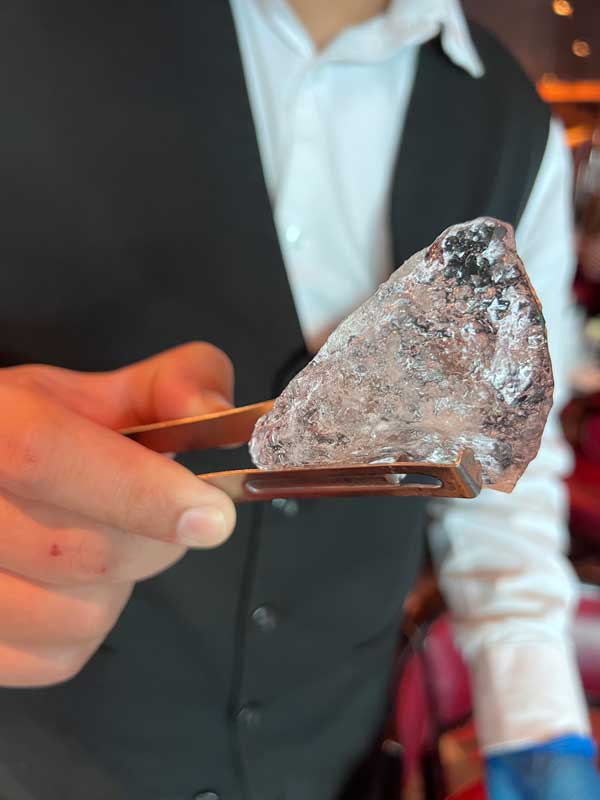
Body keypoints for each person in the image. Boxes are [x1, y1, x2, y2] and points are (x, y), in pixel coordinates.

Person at [0, 1, 598, 798]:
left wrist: (534, 715)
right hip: (54, 750)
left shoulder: (514, 121)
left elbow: (493, 477)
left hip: (333, 749)